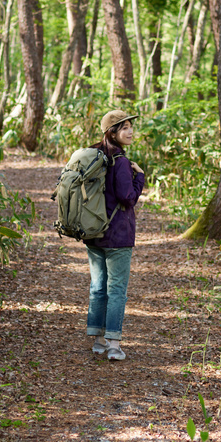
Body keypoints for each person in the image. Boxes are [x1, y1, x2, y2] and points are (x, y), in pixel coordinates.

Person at [84, 109, 145, 361]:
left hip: (94, 232)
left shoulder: (95, 157)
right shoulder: (120, 161)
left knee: (98, 288)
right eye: (124, 128)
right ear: (113, 133)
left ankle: (98, 341)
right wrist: (139, 177)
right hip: (118, 236)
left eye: (130, 126)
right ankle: (113, 345)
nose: (130, 131)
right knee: (117, 289)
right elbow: (127, 198)